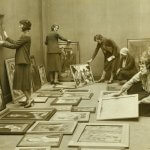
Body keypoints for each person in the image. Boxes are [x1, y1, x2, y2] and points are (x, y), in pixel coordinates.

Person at [0, 19, 33, 108]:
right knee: (24, 82)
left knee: (21, 83)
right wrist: (6, 37)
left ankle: (29, 100)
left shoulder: (24, 36)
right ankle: (28, 99)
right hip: (24, 61)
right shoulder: (26, 36)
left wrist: (3, 43)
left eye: (20, 25)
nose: (19, 26)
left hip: (22, 61)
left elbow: (14, 46)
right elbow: (16, 43)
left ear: (24, 26)